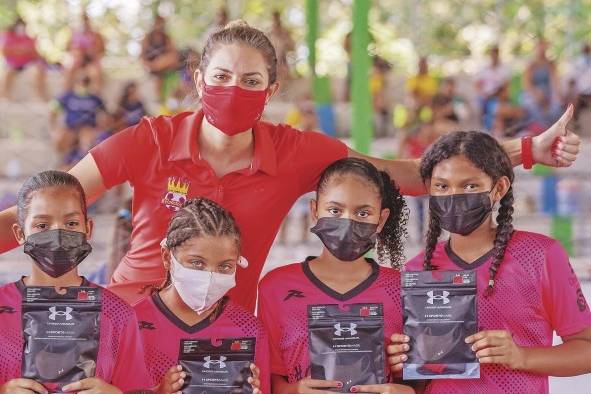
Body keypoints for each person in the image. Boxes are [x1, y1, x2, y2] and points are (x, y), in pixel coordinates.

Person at [0, 21, 581, 311]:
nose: (234, 90)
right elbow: (46, 206)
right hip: (129, 313)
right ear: (199, 81)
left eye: (251, 81)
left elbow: (401, 171)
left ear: (272, 88)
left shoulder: (298, 150)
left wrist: (526, 151)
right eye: (221, 78)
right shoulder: (148, 139)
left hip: (226, 327)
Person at [388, 131, 591, 393]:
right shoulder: (416, 271)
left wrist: (521, 356)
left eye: (470, 186)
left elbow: (586, 349)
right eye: (442, 186)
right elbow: (413, 377)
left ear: (499, 188)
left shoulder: (540, 255)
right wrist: (398, 362)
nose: (454, 195)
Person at [258, 157, 414, 394]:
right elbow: (268, 377)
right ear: (314, 211)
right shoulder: (275, 287)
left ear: (380, 220)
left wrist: (406, 391)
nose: (346, 222)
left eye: (362, 213)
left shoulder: (401, 287)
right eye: (334, 210)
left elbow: (421, 376)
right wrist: (295, 390)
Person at [0, 170, 148, 392]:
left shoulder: (118, 313)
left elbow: (137, 387)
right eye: (42, 226)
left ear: (88, 229)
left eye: (71, 223)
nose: (58, 235)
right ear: (20, 233)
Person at [134, 197, 268, 393]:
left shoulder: (250, 330)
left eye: (224, 266)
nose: (210, 277)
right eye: (197, 263)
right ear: (167, 257)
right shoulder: (131, 324)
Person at [50, 75, 106, 167]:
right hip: (71, 127)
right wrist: (55, 127)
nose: (83, 85)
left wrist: (99, 128)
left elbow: (104, 113)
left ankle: (82, 163)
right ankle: (65, 162)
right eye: (81, 82)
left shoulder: (94, 98)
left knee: (87, 143)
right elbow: (53, 109)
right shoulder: (68, 96)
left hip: (88, 127)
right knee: (61, 141)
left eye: (85, 83)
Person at [0, 17, 47, 100]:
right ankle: (4, 97)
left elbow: (35, 53)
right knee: (8, 74)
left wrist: (22, 50)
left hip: (27, 64)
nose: (21, 28)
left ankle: (39, 96)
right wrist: (20, 50)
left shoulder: (29, 38)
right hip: (12, 64)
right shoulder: (7, 36)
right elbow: (4, 50)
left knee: (39, 70)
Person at [522, 39, 562, 128]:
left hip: (548, 92)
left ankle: (552, 129)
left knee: (556, 106)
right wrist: (536, 93)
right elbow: (526, 85)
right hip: (532, 93)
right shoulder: (531, 65)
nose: (541, 51)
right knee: (533, 105)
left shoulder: (550, 64)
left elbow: (555, 82)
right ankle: (543, 130)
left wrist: (556, 95)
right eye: (540, 48)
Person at [141, 15, 179, 102]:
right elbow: (142, 56)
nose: (158, 25)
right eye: (156, 23)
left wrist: (162, 62)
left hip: (166, 66)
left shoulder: (167, 38)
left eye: (160, 23)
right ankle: (160, 99)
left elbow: (174, 54)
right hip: (152, 66)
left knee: (168, 59)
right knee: (158, 72)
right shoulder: (147, 38)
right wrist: (151, 65)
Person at [66, 13, 105, 91]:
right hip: (78, 61)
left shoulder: (96, 35)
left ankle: (95, 97)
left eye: (85, 20)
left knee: (95, 73)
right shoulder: (74, 34)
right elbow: (68, 48)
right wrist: (77, 52)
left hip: (91, 61)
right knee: (69, 71)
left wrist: (91, 52)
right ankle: (68, 95)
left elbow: (101, 50)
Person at [475, 45, 511, 120]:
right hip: (484, 95)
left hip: (498, 95)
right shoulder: (484, 67)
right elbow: (477, 84)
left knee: (497, 107)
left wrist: (497, 94)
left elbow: (506, 86)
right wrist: (483, 93)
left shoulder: (504, 68)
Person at [267, 10, 294, 81]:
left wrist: (284, 38)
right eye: (274, 19)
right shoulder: (269, 34)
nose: (275, 21)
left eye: (277, 19)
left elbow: (292, 47)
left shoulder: (284, 33)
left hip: (282, 64)